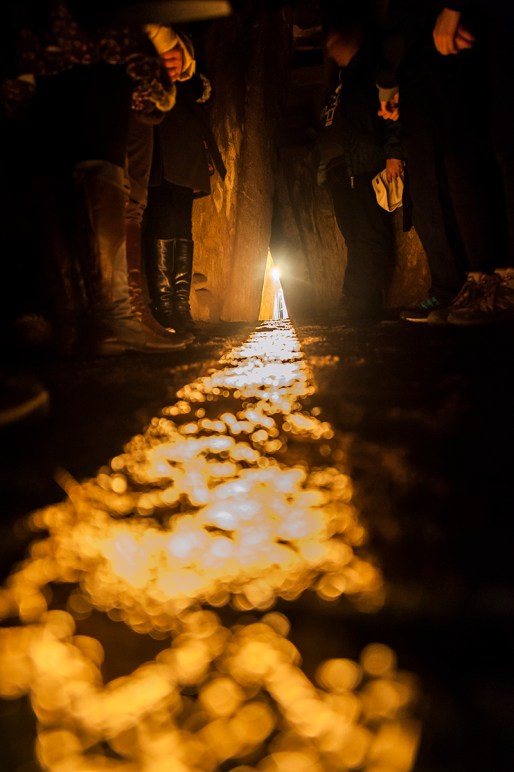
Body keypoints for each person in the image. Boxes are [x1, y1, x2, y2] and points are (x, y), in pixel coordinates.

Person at [375, 0, 470, 322]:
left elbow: (395, 29)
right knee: (429, 197)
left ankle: (467, 285)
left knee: (452, 187)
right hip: (420, 77)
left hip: (438, 69)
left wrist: (387, 84)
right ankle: (449, 288)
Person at [425, 2, 514, 325]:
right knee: (464, 154)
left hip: (486, 17)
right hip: (457, 37)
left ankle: (507, 278)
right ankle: (483, 278)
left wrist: (453, 6)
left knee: (504, 141)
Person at [317, 9, 403, 325]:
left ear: (349, 39)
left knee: (367, 234)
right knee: (354, 235)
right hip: (340, 169)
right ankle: (358, 301)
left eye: (333, 43)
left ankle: (359, 302)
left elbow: (390, 112)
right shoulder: (341, 78)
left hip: (363, 164)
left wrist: (393, 153)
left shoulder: (369, 70)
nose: (330, 51)